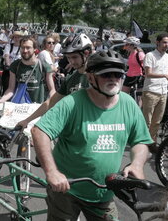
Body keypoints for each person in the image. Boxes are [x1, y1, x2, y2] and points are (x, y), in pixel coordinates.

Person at [31, 49, 153, 221]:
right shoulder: (72, 103)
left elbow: (140, 140)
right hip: (66, 190)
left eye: (117, 74)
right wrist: (52, 172)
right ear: (90, 78)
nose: (113, 79)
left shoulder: (129, 104)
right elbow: (39, 131)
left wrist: (137, 164)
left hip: (104, 193)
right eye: (106, 75)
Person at [17, 33, 93, 128]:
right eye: (68, 58)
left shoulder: (99, 77)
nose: (71, 62)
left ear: (87, 53)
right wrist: (27, 120)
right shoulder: (70, 78)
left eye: (75, 57)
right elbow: (50, 103)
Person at [0, 37, 55, 104]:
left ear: (35, 49)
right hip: (20, 107)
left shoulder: (44, 66)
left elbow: (52, 89)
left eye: (28, 47)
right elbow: (11, 89)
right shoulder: (15, 65)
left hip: (39, 107)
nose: (25, 50)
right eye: (23, 47)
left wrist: (50, 102)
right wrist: (2, 99)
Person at [141, 33, 168, 154]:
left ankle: (152, 143)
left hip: (163, 93)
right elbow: (148, 74)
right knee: (147, 121)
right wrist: (164, 75)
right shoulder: (150, 55)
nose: (167, 45)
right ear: (158, 42)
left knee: (156, 122)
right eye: (164, 42)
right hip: (151, 91)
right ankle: (142, 144)